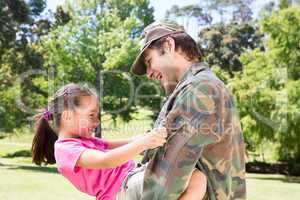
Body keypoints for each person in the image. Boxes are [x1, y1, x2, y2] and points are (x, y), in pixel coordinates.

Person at [130, 20, 246, 199]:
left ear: (169, 45)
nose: (148, 73)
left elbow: (164, 183)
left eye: (149, 60)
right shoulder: (203, 85)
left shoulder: (199, 90)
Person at [31, 83, 207, 200]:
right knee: (180, 174)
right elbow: (105, 161)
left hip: (131, 179)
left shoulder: (86, 141)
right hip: (120, 190)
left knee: (198, 178)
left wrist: (140, 139)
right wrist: (143, 143)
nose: (97, 121)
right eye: (91, 115)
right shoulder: (65, 149)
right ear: (68, 116)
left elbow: (116, 145)